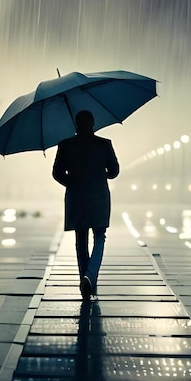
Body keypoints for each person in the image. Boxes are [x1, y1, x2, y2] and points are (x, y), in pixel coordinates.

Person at [52, 110, 120, 300]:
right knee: (99, 237)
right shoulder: (104, 144)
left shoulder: (65, 145)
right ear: (93, 124)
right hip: (99, 197)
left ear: (76, 124)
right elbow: (114, 171)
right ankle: (90, 276)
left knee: (81, 239)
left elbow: (57, 173)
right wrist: (101, 174)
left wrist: (73, 182)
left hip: (77, 198)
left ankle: (84, 280)